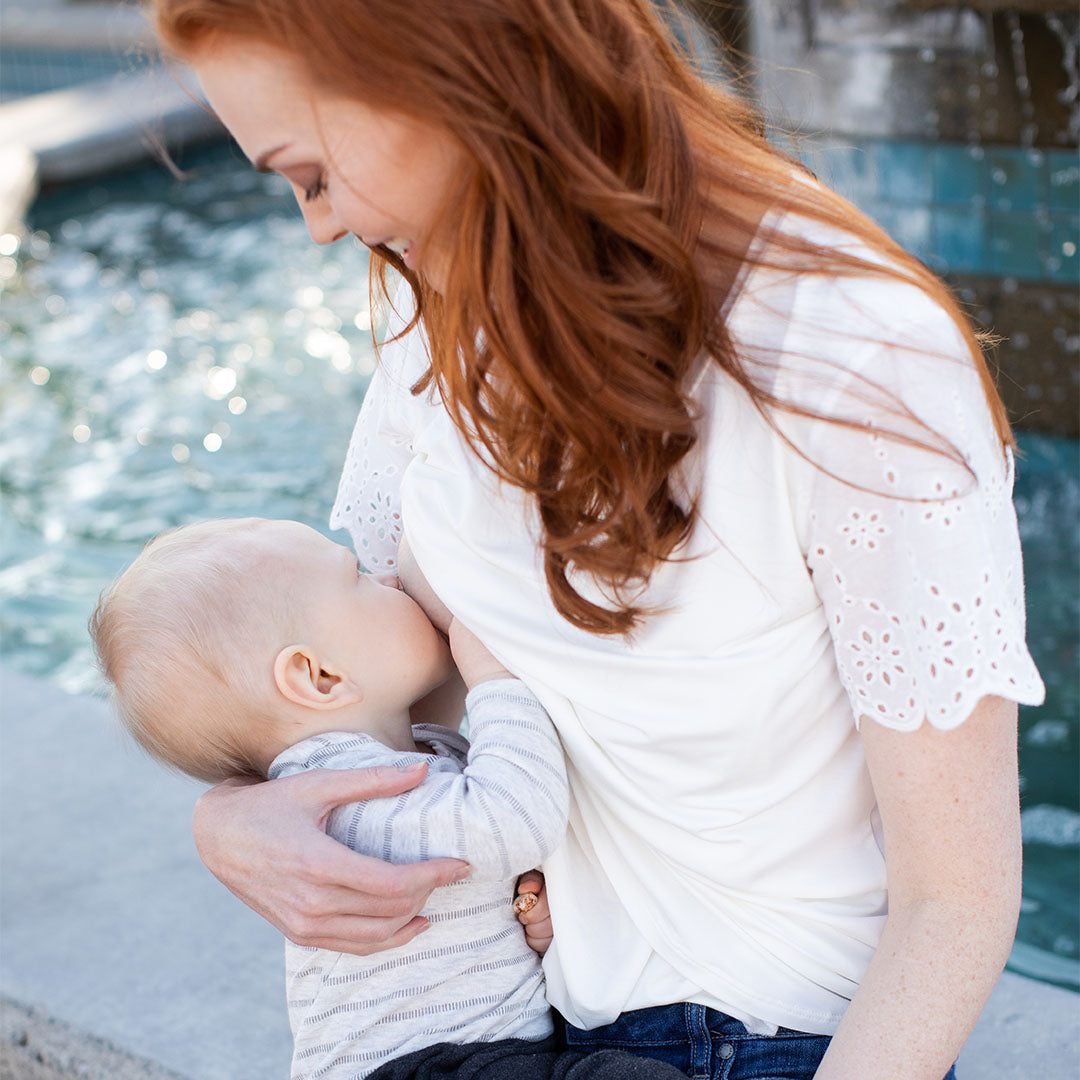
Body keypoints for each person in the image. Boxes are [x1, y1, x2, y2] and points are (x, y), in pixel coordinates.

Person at [147, 2, 1046, 1078]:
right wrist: (236, 816)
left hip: (789, 1048)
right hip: (521, 1029)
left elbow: (956, 901)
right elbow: (376, 675)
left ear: (442, 79)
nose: (320, 227)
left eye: (308, 175)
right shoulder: (435, 319)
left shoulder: (852, 355)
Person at [90, 517, 688, 1080]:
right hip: (431, 1064)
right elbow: (516, 816)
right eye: (357, 578)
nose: (388, 579)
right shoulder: (358, 797)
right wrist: (496, 677)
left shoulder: (392, 762)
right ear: (319, 676)